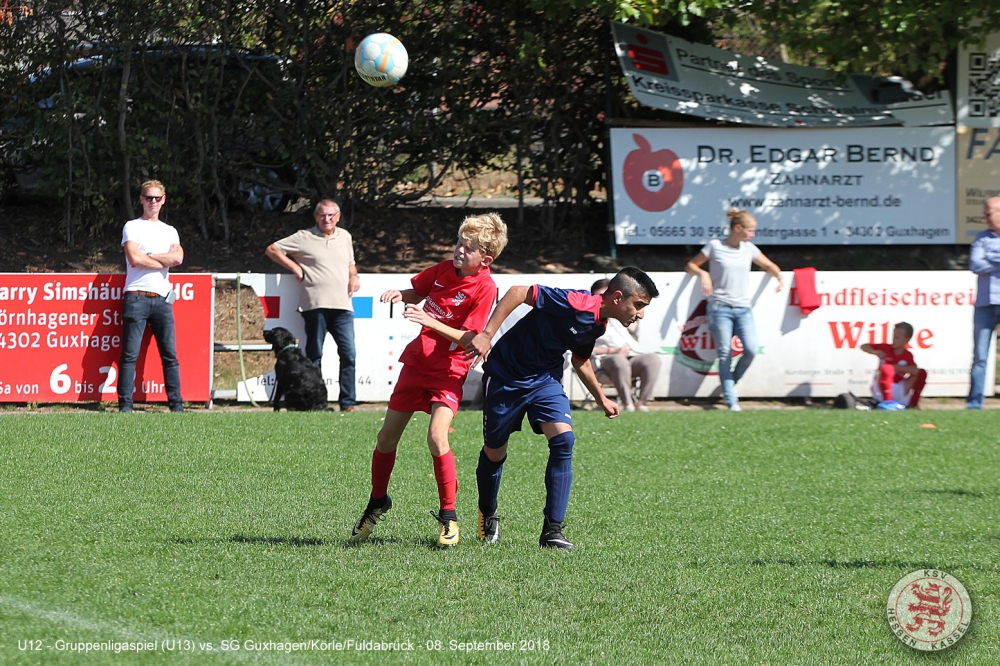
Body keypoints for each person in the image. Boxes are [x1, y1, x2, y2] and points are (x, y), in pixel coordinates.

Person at [466, 267, 659, 549]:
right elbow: (519, 292)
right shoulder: (575, 302)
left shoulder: (598, 324)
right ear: (618, 297)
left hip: (545, 380)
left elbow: (581, 361)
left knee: (564, 440)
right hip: (505, 377)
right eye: (639, 305)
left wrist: (601, 398)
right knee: (494, 453)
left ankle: (552, 531)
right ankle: (488, 512)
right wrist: (486, 334)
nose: (640, 314)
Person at [348, 213, 508, 547]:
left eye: (468, 248)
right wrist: (400, 294)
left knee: (437, 437)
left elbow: (472, 338)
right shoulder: (442, 270)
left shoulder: (485, 287)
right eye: (459, 243)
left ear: (486, 259)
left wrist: (429, 321)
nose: (459, 250)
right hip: (417, 364)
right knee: (386, 438)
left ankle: (448, 516)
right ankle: (377, 501)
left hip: (449, 370)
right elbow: (416, 291)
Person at [685, 208, 783, 412]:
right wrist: (704, 274)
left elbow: (769, 265)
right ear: (738, 228)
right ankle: (731, 400)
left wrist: (779, 276)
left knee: (751, 349)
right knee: (725, 354)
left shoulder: (749, 248)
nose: (752, 234)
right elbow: (691, 265)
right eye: (750, 230)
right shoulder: (715, 246)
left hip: (743, 308)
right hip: (719, 308)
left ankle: (729, 383)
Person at [265, 199, 359, 411]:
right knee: (314, 356)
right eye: (322, 215)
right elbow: (272, 249)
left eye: (331, 215)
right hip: (315, 305)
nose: (327, 219)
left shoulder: (345, 236)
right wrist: (295, 267)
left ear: (338, 216)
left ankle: (348, 403)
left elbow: (351, 265)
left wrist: (354, 277)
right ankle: (314, 402)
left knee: (349, 355)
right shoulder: (303, 237)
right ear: (316, 217)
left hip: (343, 306)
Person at [118, 180, 185, 413]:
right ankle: (125, 406)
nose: (153, 202)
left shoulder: (170, 231)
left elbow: (178, 259)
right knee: (130, 354)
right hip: (136, 296)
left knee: (170, 355)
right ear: (141, 199)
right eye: (148, 198)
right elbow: (134, 259)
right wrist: (162, 260)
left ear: (163, 200)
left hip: (163, 299)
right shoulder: (132, 226)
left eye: (157, 198)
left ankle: (177, 405)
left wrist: (149, 255)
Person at [589, 278, 661, 411]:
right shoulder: (588, 319)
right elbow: (583, 348)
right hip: (604, 361)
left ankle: (642, 403)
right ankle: (628, 404)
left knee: (652, 359)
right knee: (619, 360)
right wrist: (612, 351)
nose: (605, 300)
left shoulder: (619, 315)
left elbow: (633, 326)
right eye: (600, 296)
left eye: (608, 295)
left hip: (630, 356)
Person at [967, 196, 1000, 409]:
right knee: (980, 355)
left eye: (988, 214)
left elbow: (984, 262)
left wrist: (991, 259)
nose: (985, 218)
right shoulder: (982, 237)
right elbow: (976, 264)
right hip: (985, 303)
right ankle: (974, 404)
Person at [860, 322, 927, 409]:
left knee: (922, 373)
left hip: (899, 387)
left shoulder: (907, 355)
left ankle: (913, 404)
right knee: (886, 369)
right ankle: (887, 402)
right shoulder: (885, 348)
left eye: (897, 337)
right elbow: (864, 346)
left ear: (907, 339)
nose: (893, 340)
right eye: (893, 336)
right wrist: (875, 352)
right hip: (881, 388)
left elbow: (915, 371)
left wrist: (894, 367)